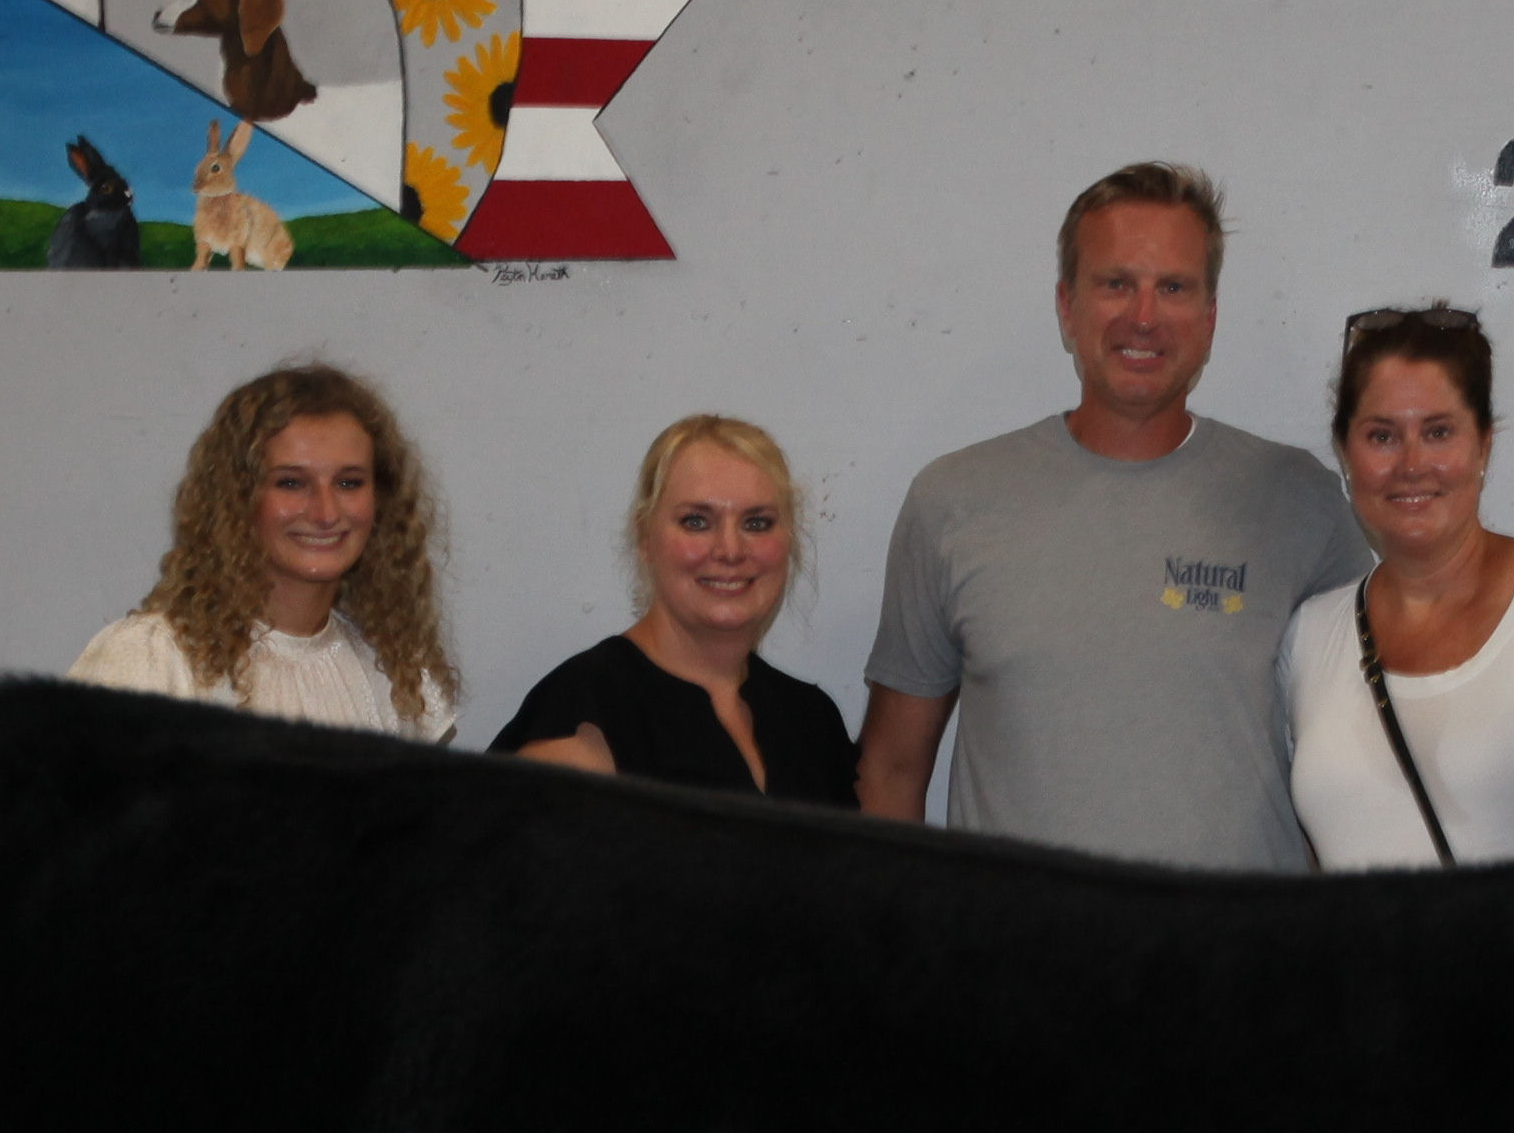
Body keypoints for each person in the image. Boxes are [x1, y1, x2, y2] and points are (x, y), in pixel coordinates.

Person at [856, 161, 1368, 865]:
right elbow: (889, 769)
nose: (1144, 316)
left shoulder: (1301, 502)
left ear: (1210, 318)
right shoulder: (953, 502)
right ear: (1067, 307)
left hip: (1239, 934)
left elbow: (1358, 770)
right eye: (1115, 284)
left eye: (1174, 287)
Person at [1280, 307, 1514, 872]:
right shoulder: (1306, 639)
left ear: (1484, 444)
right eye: (1382, 436)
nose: (1411, 464)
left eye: (1438, 432)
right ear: (1345, 453)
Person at [66, 362, 460, 740]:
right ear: (236, 498)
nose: (326, 513)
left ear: (382, 499)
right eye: (291, 483)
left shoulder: (394, 675)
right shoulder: (151, 661)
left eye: (348, 483)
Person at [491, 415, 859, 804]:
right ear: (644, 538)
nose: (730, 550)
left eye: (756, 523)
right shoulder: (587, 715)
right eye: (696, 522)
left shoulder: (811, 720)